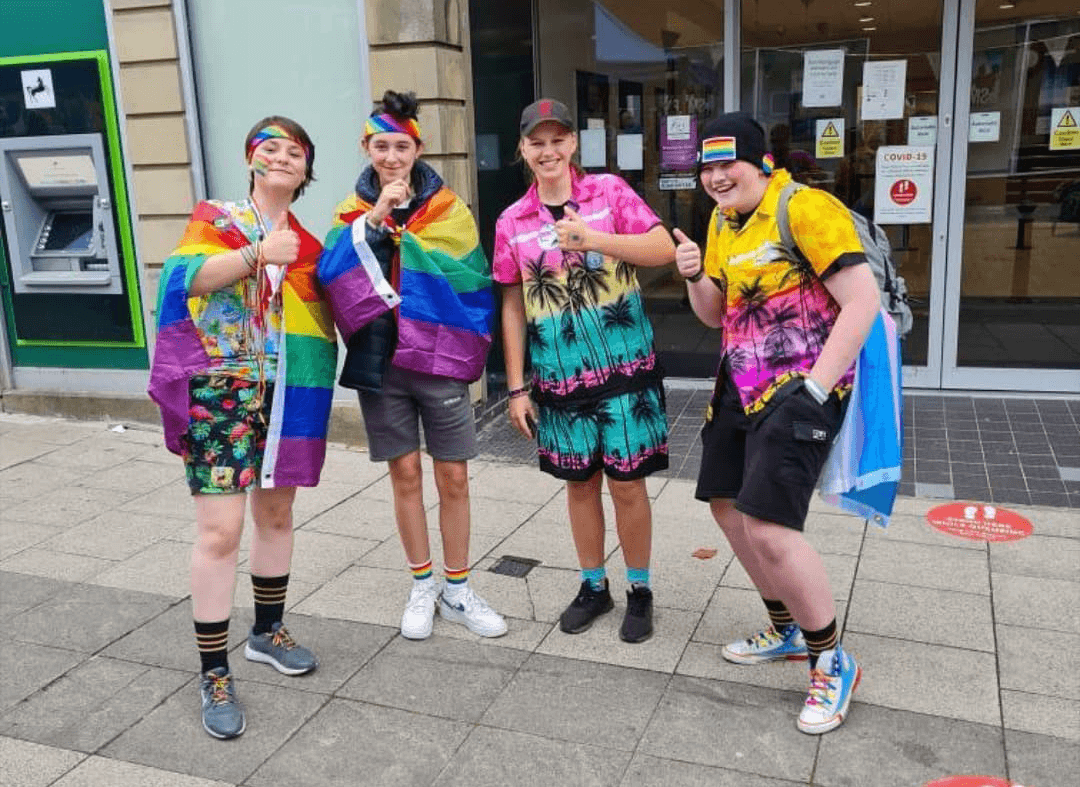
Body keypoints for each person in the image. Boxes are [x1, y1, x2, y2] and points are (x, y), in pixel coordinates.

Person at [672, 112, 881, 733]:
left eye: (726, 163)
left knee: (769, 527)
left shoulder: (806, 208)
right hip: (739, 383)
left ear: (762, 162)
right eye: (705, 167)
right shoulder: (721, 220)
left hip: (801, 389)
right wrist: (691, 276)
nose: (714, 177)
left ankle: (831, 661)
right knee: (727, 506)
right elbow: (714, 315)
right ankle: (788, 629)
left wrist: (817, 390)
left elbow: (861, 300)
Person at [148, 117, 337, 739]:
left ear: (306, 170)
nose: (283, 158)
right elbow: (182, 280)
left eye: (296, 152)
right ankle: (214, 671)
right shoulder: (217, 219)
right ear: (251, 160)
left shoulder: (312, 242)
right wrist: (256, 253)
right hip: (220, 390)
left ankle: (266, 630)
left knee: (277, 515)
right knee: (222, 531)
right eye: (271, 148)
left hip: (288, 392)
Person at [318, 90, 506, 641]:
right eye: (381, 146)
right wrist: (376, 221)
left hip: (439, 359)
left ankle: (458, 587)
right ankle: (422, 583)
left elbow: (472, 277)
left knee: (454, 476)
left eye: (401, 145)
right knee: (404, 475)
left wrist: (411, 249)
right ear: (366, 148)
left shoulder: (449, 208)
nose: (392, 157)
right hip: (382, 362)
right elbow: (332, 273)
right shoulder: (351, 211)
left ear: (418, 148)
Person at [493, 99, 676, 643]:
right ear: (523, 150)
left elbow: (662, 248)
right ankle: (594, 586)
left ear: (573, 144)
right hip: (558, 380)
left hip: (625, 372)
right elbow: (512, 305)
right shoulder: (511, 221)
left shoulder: (610, 193)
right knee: (579, 487)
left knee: (627, 486)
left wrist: (595, 239)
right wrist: (517, 386)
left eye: (557, 140)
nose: (547, 151)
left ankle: (639, 590)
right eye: (536, 142)